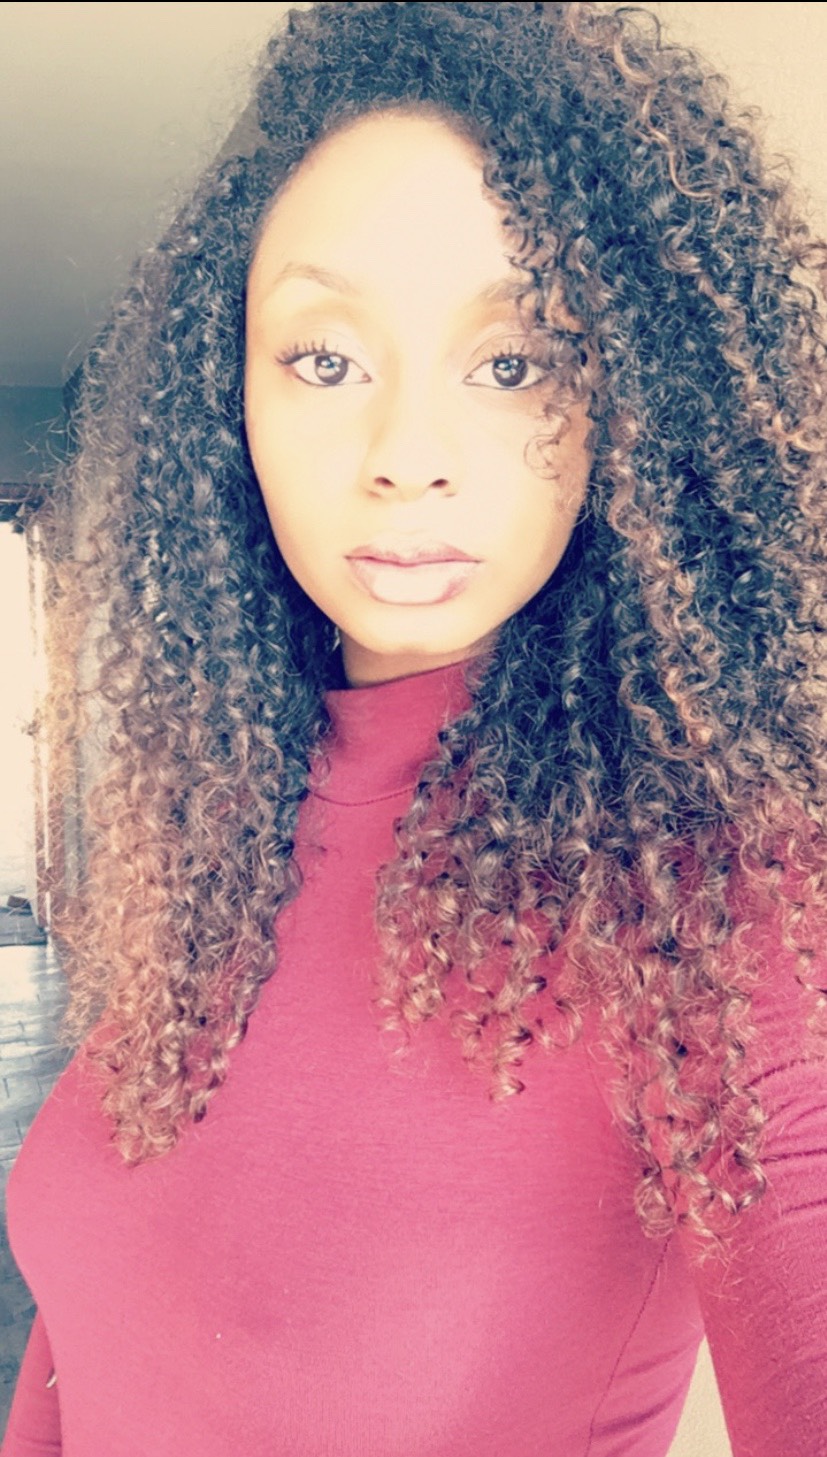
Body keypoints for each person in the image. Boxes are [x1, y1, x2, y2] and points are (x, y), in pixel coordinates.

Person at [4, 2, 827, 1453]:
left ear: (634, 399)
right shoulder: (215, 819)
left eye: (515, 360)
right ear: (229, 400)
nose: (406, 458)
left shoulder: (721, 891)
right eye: (325, 359)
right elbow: (85, 1348)